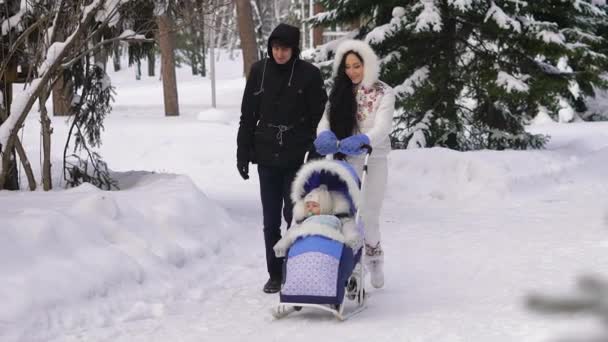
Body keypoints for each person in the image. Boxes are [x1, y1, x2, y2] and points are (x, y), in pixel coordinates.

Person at [236, 23, 328, 294]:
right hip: (265, 154)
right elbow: (247, 115)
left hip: (296, 155)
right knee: (270, 219)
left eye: (285, 48)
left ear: (294, 49)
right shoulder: (258, 72)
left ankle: (293, 267)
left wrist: (316, 151)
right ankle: (275, 274)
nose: (279, 53)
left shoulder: (309, 75)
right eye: (276, 48)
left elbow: (320, 118)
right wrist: (242, 152)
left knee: (294, 215)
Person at [313, 39, 395, 289]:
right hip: (345, 157)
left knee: (369, 213)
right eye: (347, 67)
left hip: (374, 157)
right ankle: (347, 264)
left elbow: (383, 127)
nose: (351, 72)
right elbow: (324, 119)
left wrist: (365, 139)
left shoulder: (384, 92)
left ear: (366, 65)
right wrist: (324, 134)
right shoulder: (339, 90)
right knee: (345, 212)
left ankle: (375, 259)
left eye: (356, 66)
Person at [273, 185, 361, 258]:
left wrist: (351, 238)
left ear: (324, 206)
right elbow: (291, 233)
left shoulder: (336, 219)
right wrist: (282, 245)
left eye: (314, 205)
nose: (310, 208)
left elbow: (348, 227)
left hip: (328, 250)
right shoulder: (304, 221)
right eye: (307, 206)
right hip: (305, 250)